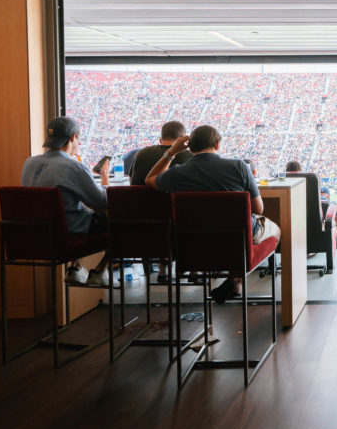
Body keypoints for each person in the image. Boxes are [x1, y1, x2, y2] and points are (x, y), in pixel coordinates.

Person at [146, 125, 281, 303]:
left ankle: (235, 285)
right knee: (276, 230)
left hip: (194, 247)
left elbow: (149, 179)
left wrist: (171, 152)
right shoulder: (239, 166)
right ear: (217, 145)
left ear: (190, 148)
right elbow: (258, 209)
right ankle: (235, 279)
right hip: (236, 244)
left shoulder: (178, 173)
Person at [21, 116, 114, 286]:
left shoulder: (29, 163)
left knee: (74, 209)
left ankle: (76, 268)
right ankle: (101, 271)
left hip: (32, 236)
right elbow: (102, 203)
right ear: (73, 138)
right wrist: (105, 179)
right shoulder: (73, 166)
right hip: (66, 235)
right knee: (120, 219)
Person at [128, 121, 192, 185]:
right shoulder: (191, 157)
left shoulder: (141, 153)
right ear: (183, 140)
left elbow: (132, 182)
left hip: (142, 195)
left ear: (160, 140)